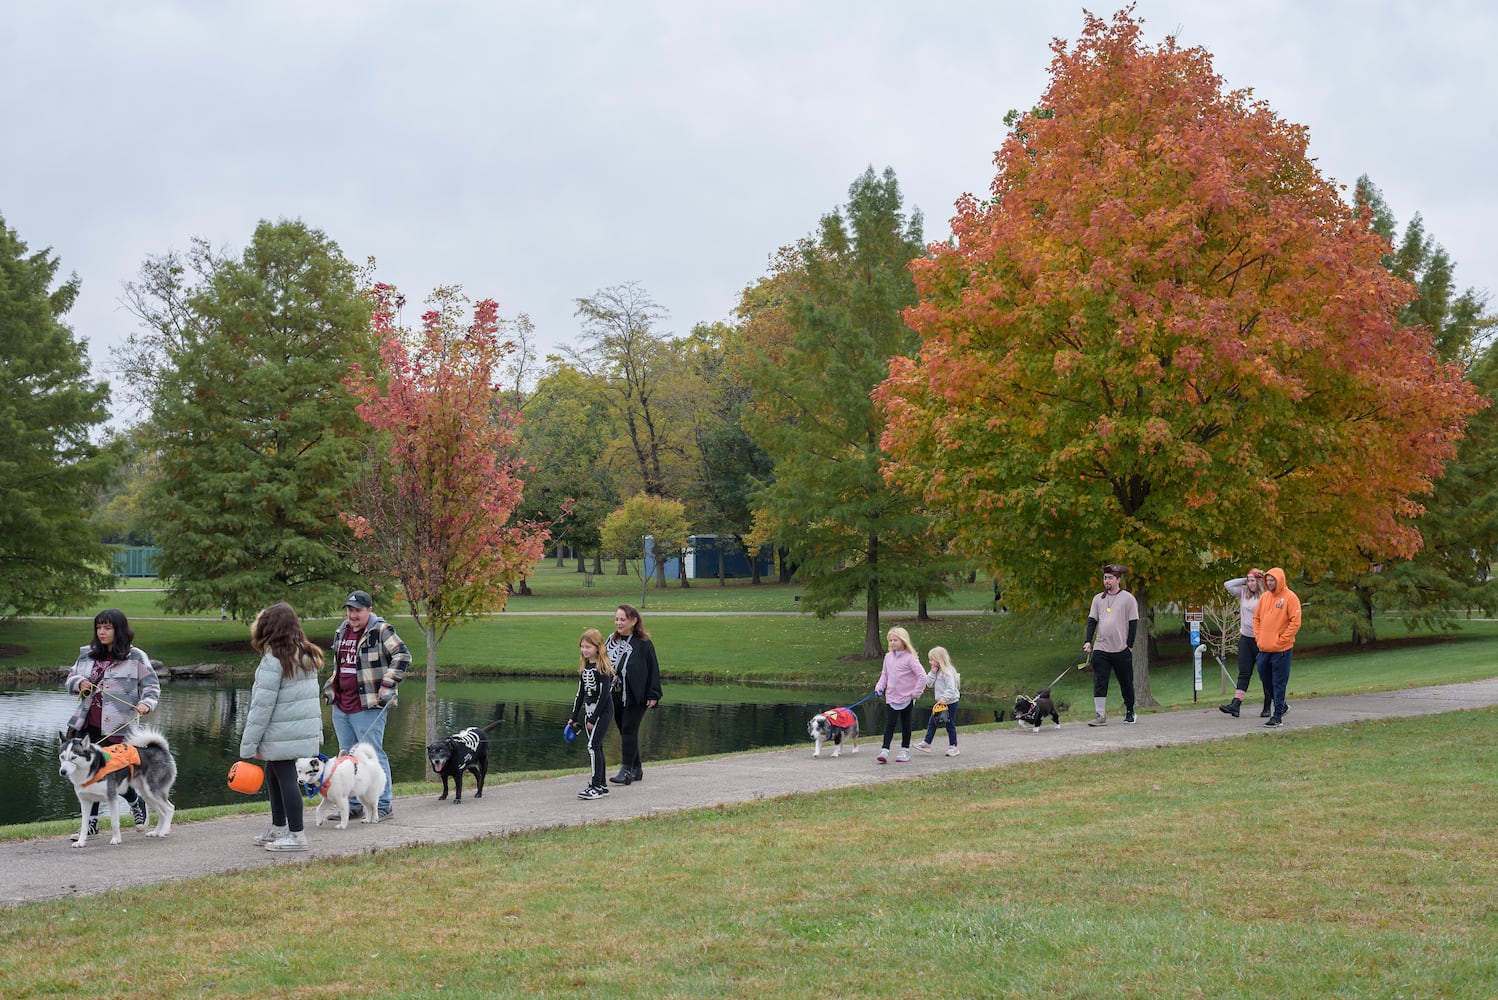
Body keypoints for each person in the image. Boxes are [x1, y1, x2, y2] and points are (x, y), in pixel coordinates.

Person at [63, 609, 160, 837]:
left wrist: (147, 703)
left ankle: (135, 802)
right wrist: (79, 683)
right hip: (88, 725)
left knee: (114, 774)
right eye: (99, 627)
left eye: (107, 627)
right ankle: (91, 824)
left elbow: (152, 685)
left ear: (119, 630)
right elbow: (69, 678)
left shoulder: (135, 657)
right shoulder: (86, 654)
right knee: (89, 772)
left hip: (120, 727)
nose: (102, 632)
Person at [240, 602, 324, 852]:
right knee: (274, 774)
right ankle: (278, 827)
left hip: (281, 732)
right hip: (299, 730)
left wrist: (248, 745)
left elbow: (261, 707)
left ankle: (296, 834)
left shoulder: (274, 660)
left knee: (286, 778)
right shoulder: (305, 654)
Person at [323, 590, 410, 819]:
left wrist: (388, 683)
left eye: (358, 610)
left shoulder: (381, 630)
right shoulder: (342, 629)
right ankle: (352, 806)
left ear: (369, 610)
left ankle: (383, 804)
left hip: (368, 705)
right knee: (346, 758)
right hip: (341, 703)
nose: (352, 615)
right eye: (350, 610)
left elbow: (402, 655)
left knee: (372, 756)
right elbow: (340, 665)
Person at [605, 604, 661, 786]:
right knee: (625, 731)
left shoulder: (643, 644)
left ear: (634, 621)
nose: (619, 623)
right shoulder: (610, 640)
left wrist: (653, 694)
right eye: (617, 619)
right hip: (616, 695)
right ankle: (636, 768)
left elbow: (653, 669)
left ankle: (626, 770)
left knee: (629, 729)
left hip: (636, 695)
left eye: (623, 619)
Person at [1082, 564, 1139, 726]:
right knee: (1100, 681)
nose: (1106, 581)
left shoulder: (1128, 599)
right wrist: (1088, 641)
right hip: (1101, 647)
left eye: (1110, 578)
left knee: (1126, 681)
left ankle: (1130, 711)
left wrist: (1130, 646)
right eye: (1105, 578)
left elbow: (1133, 623)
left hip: (1121, 649)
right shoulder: (1098, 599)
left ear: (1118, 579)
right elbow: (1092, 621)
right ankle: (1100, 715)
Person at [569, 628, 616, 800]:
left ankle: (596, 786)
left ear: (598, 647)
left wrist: (594, 718)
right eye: (582, 647)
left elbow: (604, 695)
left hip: (602, 712)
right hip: (589, 711)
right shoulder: (585, 667)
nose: (584, 650)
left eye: (588, 647)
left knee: (593, 747)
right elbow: (580, 693)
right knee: (598, 747)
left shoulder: (602, 668)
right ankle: (602, 785)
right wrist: (573, 717)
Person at [1252, 567, 1302, 728]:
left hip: (1282, 650)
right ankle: (1283, 705)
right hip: (1264, 648)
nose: (1270, 583)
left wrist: (1282, 640)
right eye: (1268, 580)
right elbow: (1257, 618)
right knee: (1265, 679)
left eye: (1273, 580)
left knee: (1278, 682)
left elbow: (1295, 622)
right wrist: (1259, 638)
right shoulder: (1265, 597)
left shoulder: (1290, 597)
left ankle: (1277, 715)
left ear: (1280, 580)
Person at [1219, 569, 1270, 718]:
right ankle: (1236, 705)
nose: (1250, 583)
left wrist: (1260, 578)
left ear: (1259, 581)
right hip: (1246, 638)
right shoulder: (1243, 592)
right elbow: (1227, 584)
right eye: (1249, 581)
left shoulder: (1265, 595)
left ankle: (1267, 706)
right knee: (1244, 672)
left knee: (1265, 674)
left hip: (1261, 639)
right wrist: (1245, 579)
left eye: (1253, 580)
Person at [874, 626, 926, 763]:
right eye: (890, 640)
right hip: (891, 697)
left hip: (907, 698)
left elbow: (922, 676)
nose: (892, 643)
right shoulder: (888, 657)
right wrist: (879, 687)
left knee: (906, 724)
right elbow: (885, 675)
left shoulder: (910, 658)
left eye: (895, 640)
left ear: (903, 641)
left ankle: (905, 750)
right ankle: (884, 750)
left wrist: (916, 693)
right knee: (889, 724)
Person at [914, 645, 961, 756]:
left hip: (950, 702)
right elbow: (929, 683)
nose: (930, 662)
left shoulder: (947, 672)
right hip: (940, 703)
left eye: (932, 660)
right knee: (932, 722)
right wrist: (932, 672)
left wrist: (944, 698)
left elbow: (951, 689)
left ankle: (953, 746)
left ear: (939, 659)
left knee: (949, 724)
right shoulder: (938, 672)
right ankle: (927, 742)